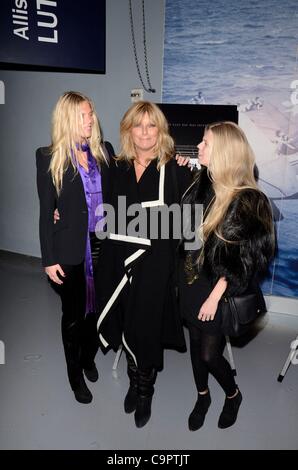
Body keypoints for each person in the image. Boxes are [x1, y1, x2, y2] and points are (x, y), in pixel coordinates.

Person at [95, 101, 193, 428]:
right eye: (139, 125)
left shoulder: (174, 168)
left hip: (155, 265)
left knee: (146, 327)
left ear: (160, 131)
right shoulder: (117, 166)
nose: (146, 132)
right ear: (128, 130)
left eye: (152, 126)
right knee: (124, 321)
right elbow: (102, 208)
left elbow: (194, 215)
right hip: (119, 261)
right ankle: (133, 378)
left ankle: (144, 391)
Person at [179, 121, 275, 430]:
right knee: (195, 343)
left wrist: (215, 295)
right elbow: (184, 229)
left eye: (205, 143)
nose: (199, 147)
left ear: (222, 152)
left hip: (219, 289)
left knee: (209, 354)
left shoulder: (249, 201)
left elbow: (245, 261)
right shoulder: (202, 183)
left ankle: (232, 395)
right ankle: (202, 395)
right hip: (192, 278)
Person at [36, 91, 115, 404]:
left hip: (103, 246)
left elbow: (129, 181)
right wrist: (48, 258)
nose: (90, 119)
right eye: (84, 114)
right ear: (69, 118)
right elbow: (45, 212)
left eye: (91, 113)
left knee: (98, 313)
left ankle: (88, 356)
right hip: (69, 251)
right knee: (74, 317)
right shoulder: (48, 157)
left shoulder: (104, 151)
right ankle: (75, 375)